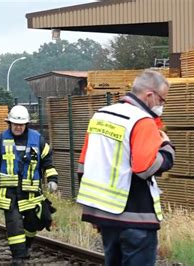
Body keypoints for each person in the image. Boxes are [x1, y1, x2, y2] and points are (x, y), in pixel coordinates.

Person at [76, 69, 175, 265]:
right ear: (149, 95)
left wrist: (95, 212)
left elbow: (83, 166)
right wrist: (167, 150)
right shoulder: (142, 121)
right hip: (136, 217)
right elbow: (145, 168)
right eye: (162, 100)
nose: (161, 106)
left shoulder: (100, 116)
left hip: (105, 215)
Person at [0, 105, 59, 264]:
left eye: (21, 124)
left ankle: (24, 248)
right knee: (15, 225)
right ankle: (18, 257)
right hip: (9, 194)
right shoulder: (0, 140)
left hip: (31, 194)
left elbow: (47, 162)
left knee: (34, 223)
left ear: (26, 124)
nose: (18, 127)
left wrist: (53, 180)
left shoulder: (37, 140)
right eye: (15, 124)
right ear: (9, 123)